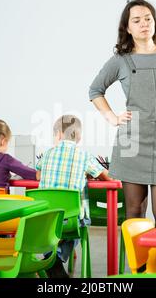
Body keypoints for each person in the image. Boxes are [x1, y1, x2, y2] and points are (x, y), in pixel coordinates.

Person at [89, 0, 156, 227]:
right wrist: (112, 117)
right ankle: (140, 265)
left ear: (155, 22)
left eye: (148, 18)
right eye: (137, 20)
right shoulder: (121, 60)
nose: (144, 23)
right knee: (134, 212)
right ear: (128, 27)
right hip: (132, 138)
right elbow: (95, 90)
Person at [36, 115, 112, 278]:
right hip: (70, 222)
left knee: (57, 227)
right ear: (79, 137)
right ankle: (56, 259)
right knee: (81, 222)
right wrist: (88, 174)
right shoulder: (84, 156)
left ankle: (51, 259)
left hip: (45, 220)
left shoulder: (47, 154)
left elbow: (37, 175)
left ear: (58, 135)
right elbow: (107, 177)